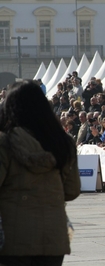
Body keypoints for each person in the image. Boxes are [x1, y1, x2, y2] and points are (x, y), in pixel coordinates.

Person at [0, 80, 80, 266]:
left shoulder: (6, 142)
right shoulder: (63, 142)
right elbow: (72, 190)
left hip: (14, 237)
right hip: (54, 237)